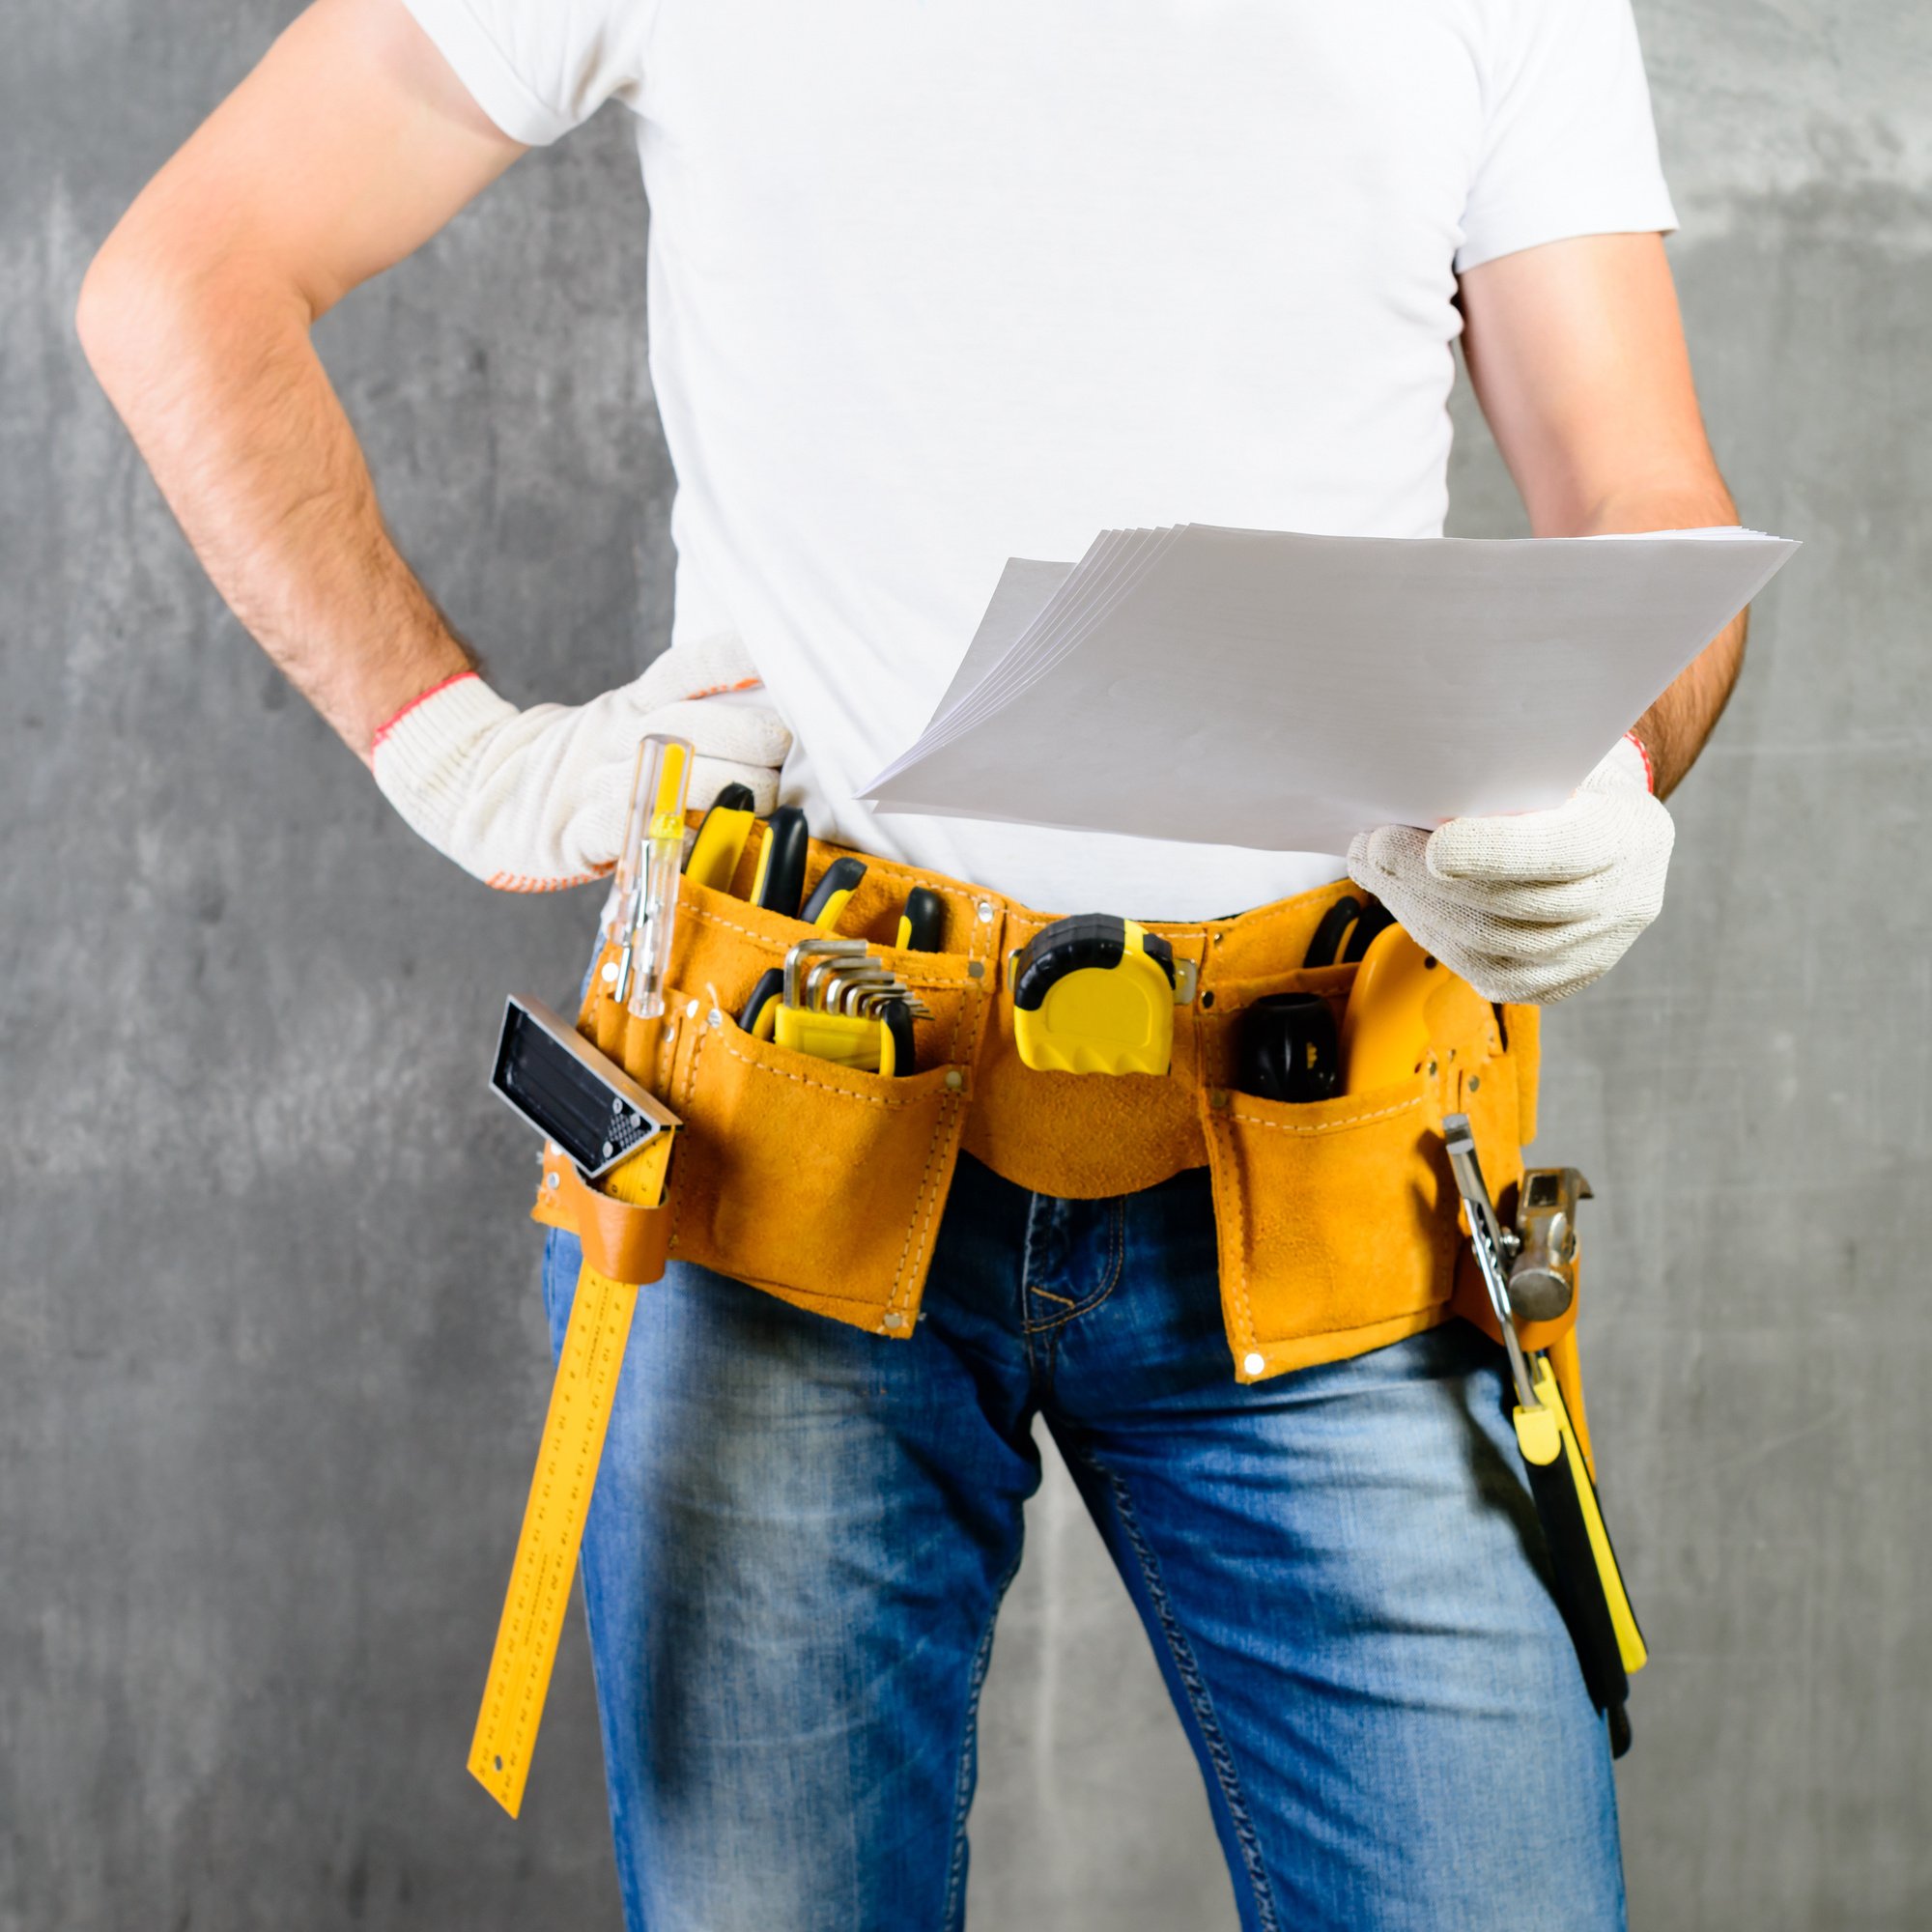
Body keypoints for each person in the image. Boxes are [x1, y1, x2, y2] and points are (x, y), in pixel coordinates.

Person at [77, 2, 1744, 1925]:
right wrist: (451, 745)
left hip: (1334, 1153)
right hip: (784, 1159)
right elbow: (184, 277)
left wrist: (1605, 758)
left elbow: (1639, 496)